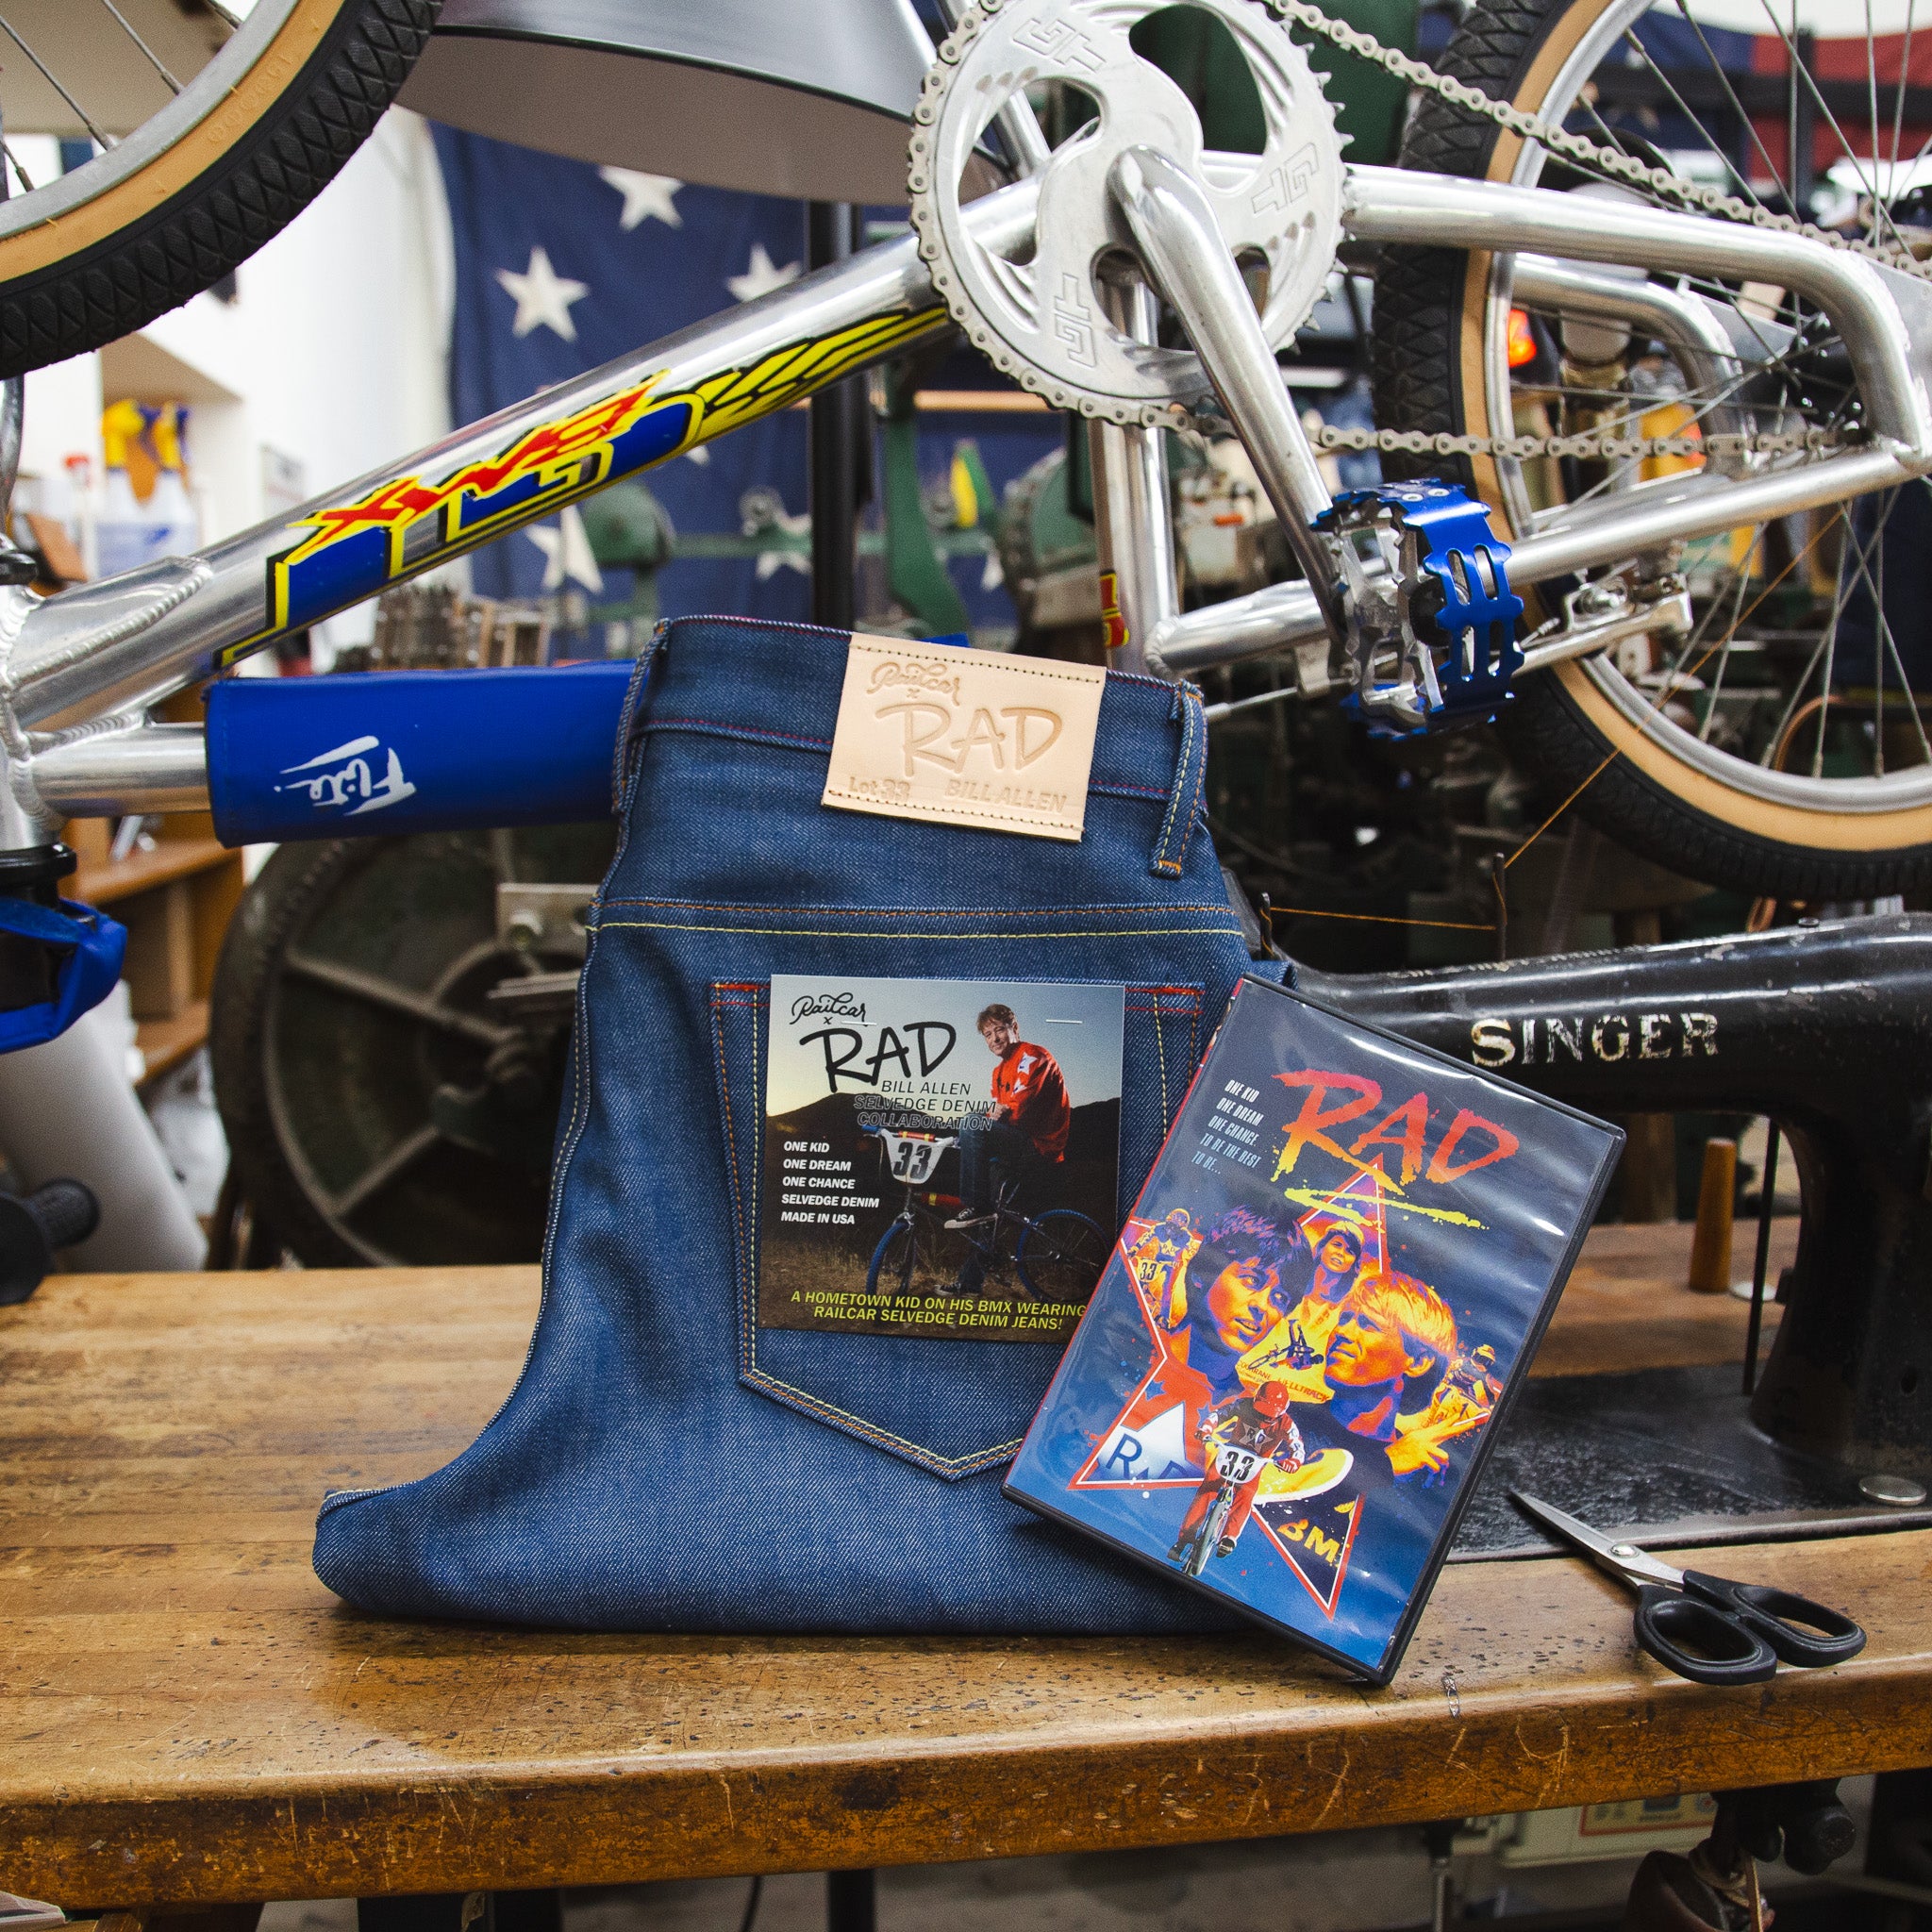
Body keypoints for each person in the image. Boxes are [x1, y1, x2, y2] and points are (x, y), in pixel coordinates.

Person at [946, 1003, 1071, 1291]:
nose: (994, 1039)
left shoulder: (1033, 1056)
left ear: (1014, 1028)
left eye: (999, 1030)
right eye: (988, 1035)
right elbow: (998, 1115)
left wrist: (992, 1117)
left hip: (1040, 1146)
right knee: (989, 1215)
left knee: (972, 1123)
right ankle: (970, 1283)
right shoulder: (998, 1072)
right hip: (1016, 1143)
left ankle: (974, 1205)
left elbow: (1017, 1109)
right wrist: (990, 1119)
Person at [1291, 1272, 1459, 1481]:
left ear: (1418, 1362)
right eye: (1344, 1318)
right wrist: (1387, 1464)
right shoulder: (1281, 1421)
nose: (1342, 1331)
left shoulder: (1422, 1467)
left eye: (1368, 1325)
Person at [1159, 1206, 1308, 1441]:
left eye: (1280, 1297)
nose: (1262, 1306)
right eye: (1252, 1280)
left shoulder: (1251, 1417)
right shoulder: (1139, 1345)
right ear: (1202, 1273)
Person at [1168, 1380, 1304, 1564]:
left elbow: (1297, 1447)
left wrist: (1294, 1462)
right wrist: (1206, 1429)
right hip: (1229, 1453)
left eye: (1270, 1415)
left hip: (1255, 1464)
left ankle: (1229, 1537)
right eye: (1261, 1410)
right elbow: (1219, 1414)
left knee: (1245, 1496)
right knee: (1207, 1490)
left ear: (1282, 1410)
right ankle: (1184, 1539)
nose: (1264, 1417)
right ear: (1256, 1400)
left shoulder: (1287, 1424)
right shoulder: (1243, 1404)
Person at [1241, 1222, 1363, 1394]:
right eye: (1337, 1244)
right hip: (1250, 1378)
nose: (1340, 1253)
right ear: (1322, 1247)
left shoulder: (1345, 1314)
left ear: (1354, 1263)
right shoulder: (1285, 1290)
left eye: (1349, 1251)